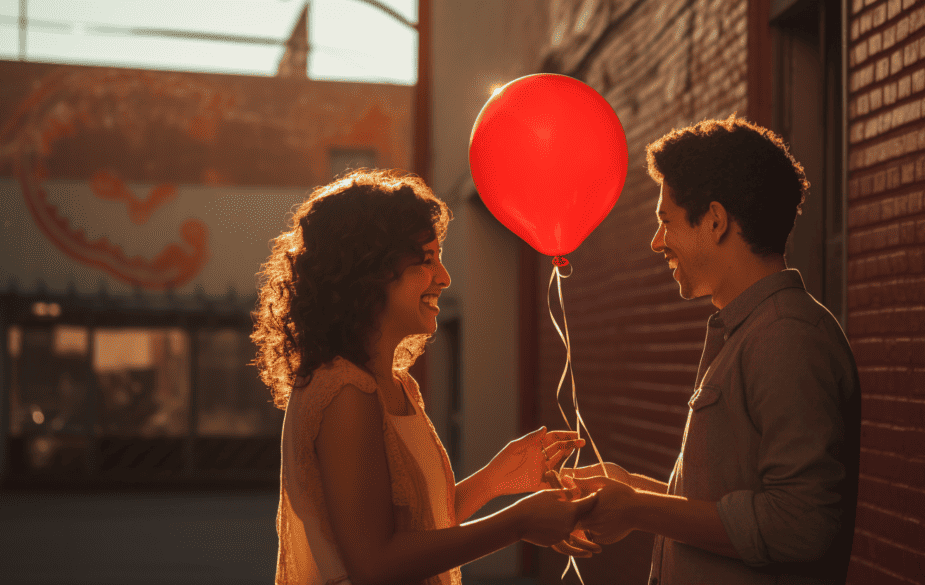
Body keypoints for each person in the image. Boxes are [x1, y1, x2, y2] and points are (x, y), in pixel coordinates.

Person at [252, 169, 600, 585]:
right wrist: (518, 524)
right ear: (371, 272)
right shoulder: (345, 391)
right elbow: (376, 564)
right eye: (427, 260)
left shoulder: (399, 385)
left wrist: (495, 479)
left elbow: (417, 525)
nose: (444, 277)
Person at [566, 116, 861, 584]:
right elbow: (730, 508)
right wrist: (632, 491)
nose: (657, 241)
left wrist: (640, 510)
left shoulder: (787, 337)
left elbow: (800, 527)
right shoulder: (753, 331)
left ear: (716, 221)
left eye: (666, 221)